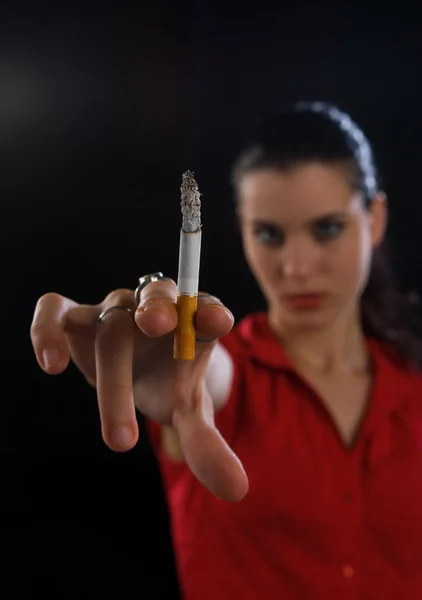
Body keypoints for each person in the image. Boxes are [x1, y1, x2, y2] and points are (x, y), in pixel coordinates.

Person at [30, 102, 422, 599]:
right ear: (241, 232)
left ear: (376, 218)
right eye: (268, 234)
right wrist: (163, 354)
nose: (296, 267)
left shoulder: (412, 379)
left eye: (327, 228)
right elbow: (205, 380)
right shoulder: (222, 373)